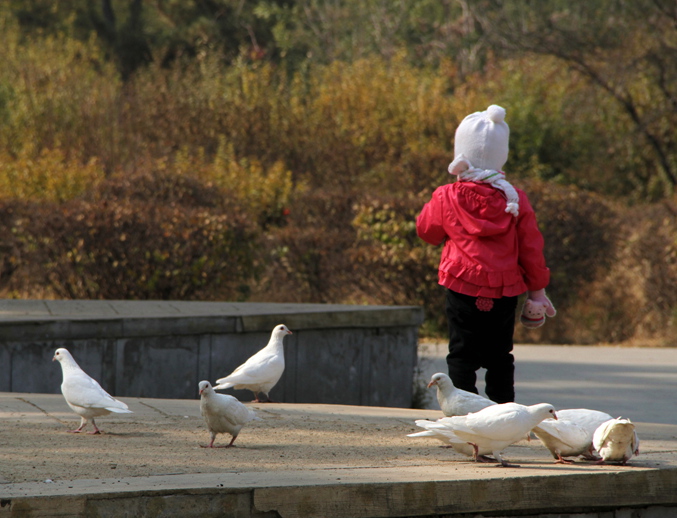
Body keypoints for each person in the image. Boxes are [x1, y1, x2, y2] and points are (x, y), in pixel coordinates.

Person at [416, 104, 555, 404]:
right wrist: (537, 291)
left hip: (460, 284)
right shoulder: (514, 198)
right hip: (505, 291)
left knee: (462, 353)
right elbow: (531, 248)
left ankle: (465, 414)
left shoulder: (446, 195)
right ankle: (504, 414)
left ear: (460, 155)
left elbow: (427, 232)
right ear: (500, 155)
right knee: (500, 355)